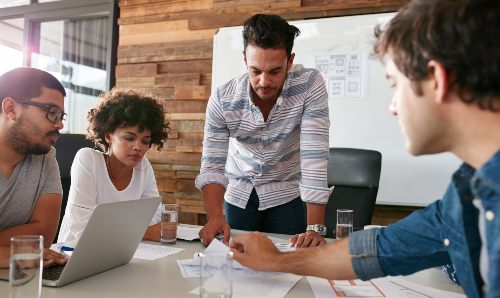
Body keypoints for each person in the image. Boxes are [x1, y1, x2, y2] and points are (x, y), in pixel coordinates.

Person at [229, 0, 500, 297]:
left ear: (438, 80)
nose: (393, 106)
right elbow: (380, 249)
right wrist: (277, 260)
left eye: (395, 84)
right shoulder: (466, 195)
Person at [196, 14, 330, 248]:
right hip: (239, 194)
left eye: (275, 71)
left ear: (290, 61)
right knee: (238, 265)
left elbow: (314, 156)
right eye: (255, 70)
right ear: (244, 60)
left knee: (291, 263)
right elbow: (212, 165)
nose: (264, 81)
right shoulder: (222, 99)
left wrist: (314, 228)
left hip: (287, 193)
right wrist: (215, 216)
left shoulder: (310, 84)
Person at [57, 88, 168, 243]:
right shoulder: (88, 159)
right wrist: (145, 232)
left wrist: (117, 228)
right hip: (73, 253)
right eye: (129, 138)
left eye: (145, 141)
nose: (138, 147)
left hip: (122, 249)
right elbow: (82, 228)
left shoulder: (143, 167)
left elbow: (155, 215)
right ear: (108, 136)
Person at [0, 67, 68, 268]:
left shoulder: (46, 157)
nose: (60, 125)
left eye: (61, 116)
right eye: (51, 112)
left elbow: (43, 237)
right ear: (11, 109)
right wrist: (10, 253)